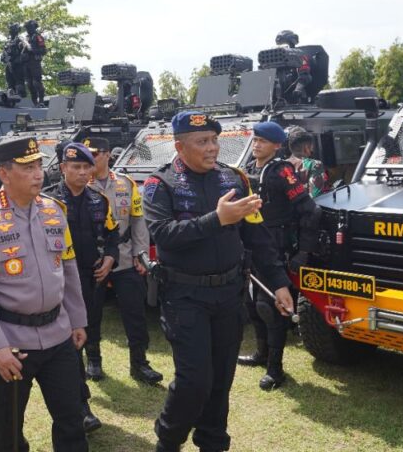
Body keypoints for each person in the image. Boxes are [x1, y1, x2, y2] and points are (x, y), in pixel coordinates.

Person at [143, 111, 294, 452]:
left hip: (229, 295)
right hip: (185, 298)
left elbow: (257, 236)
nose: (212, 148)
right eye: (202, 142)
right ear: (180, 147)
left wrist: (279, 283)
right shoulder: (159, 184)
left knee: (221, 380)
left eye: (214, 140)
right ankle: (168, 440)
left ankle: (212, 443)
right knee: (195, 381)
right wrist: (217, 219)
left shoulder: (234, 180)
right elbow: (163, 234)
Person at [0, 136, 89, 452]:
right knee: (9, 433)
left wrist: (77, 320)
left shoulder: (54, 211)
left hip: (59, 336)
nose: (38, 174)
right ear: (4, 173)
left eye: (39, 166)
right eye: (27, 167)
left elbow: (68, 268)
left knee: (72, 422)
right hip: (12, 344)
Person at [237, 122, 320, 390]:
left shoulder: (282, 171)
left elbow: (310, 211)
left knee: (270, 307)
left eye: (262, 141)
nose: (256, 145)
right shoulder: (250, 170)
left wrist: (304, 252)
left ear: (276, 145)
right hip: (250, 244)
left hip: (276, 246)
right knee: (252, 305)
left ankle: (276, 368)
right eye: (255, 139)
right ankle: (261, 354)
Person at [43, 142, 118, 433]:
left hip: (91, 278)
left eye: (87, 167)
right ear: (63, 169)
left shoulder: (100, 200)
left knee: (89, 327)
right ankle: (81, 405)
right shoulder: (47, 203)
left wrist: (111, 258)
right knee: (69, 343)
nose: (82, 172)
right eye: (76, 167)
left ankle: (92, 364)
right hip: (58, 281)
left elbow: (113, 234)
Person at [82, 137, 163, 385]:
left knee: (134, 312)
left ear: (107, 155)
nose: (90, 159)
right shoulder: (81, 185)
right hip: (95, 259)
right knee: (91, 312)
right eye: (87, 154)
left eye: (95, 154)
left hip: (126, 256)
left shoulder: (126, 184)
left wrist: (141, 254)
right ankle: (94, 360)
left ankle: (139, 363)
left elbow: (139, 220)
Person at [286, 127, 329, 197]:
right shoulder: (314, 165)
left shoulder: (281, 166)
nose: (312, 149)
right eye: (311, 146)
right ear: (306, 147)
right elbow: (316, 195)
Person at [24, 19, 47, 106]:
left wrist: (33, 50)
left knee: (36, 82)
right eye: (27, 28)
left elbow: (43, 50)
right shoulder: (26, 38)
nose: (27, 29)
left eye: (29, 27)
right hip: (26, 62)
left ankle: (41, 100)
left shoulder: (38, 37)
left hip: (35, 62)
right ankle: (34, 102)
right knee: (29, 84)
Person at [1, 22, 27, 97]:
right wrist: (3, 57)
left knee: (19, 83)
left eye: (12, 29)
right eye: (10, 29)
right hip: (9, 64)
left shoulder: (20, 39)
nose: (10, 30)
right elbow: (5, 51)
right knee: (10, 83)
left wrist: (18, 59)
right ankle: (11, 97)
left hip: (17, 65)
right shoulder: (8, 40)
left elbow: (25, 50)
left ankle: (21, 97)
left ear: (16, 30)